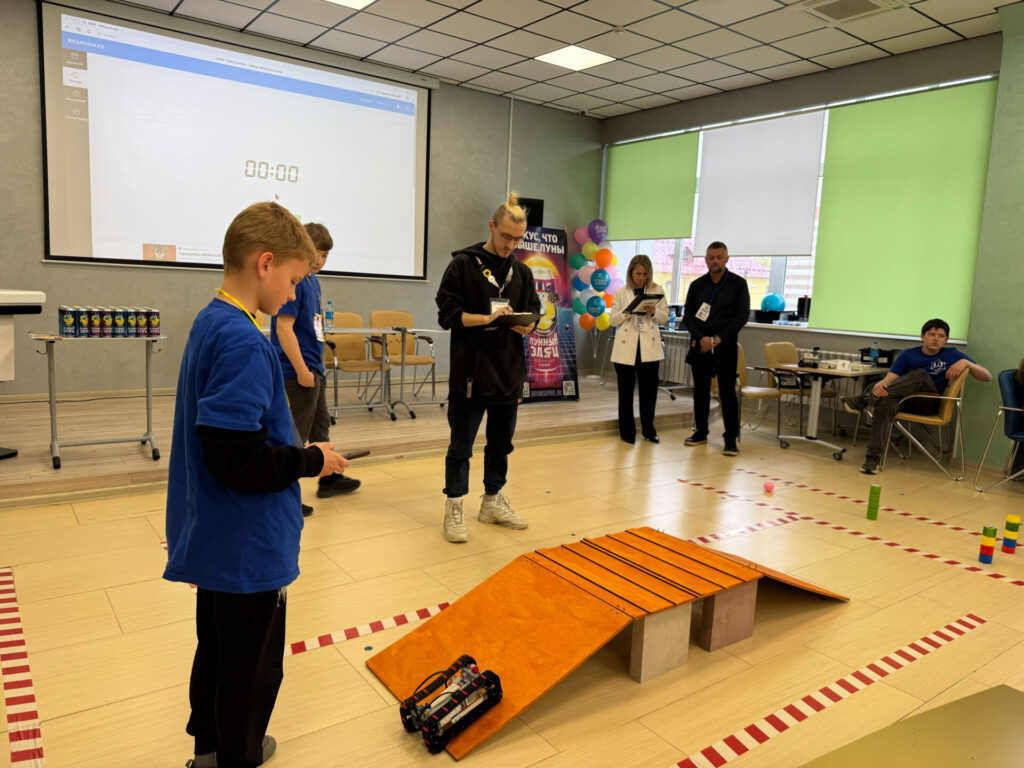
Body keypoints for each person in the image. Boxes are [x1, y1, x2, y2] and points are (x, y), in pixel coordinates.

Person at [164, 202, 348, 768]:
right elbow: (236, 460)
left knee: (217, 653)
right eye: (293, 280)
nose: (294, 294)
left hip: (216, 534)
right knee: (251, 669)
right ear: (265, 264)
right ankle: (237, 754)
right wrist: (310, 459)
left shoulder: (211, 320)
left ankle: (210, 750)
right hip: (247, 544)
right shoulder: (245, 341)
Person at [435, 192, 541, 543]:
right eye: (506, 236)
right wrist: (488, 319)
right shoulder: (463, 265)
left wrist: (528, 324)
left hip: (508, 372)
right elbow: (448, 315)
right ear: (492, 226)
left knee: (501, 444)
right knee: (461, 446)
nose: (511, 244)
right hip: (470, 372)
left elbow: (534, 311)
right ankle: (454, 505)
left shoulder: (522, 272)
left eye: (518, 239)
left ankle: (492, 501)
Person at [270, 222, 359, 516]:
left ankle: (329, 478)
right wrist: (302, 370)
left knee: (321, 426)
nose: (319, 260)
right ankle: (284, 495)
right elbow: (284, 329)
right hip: (298, 370)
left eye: (325, 255)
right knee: (294, 434)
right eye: (315, 253)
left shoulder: (313, 282)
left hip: (313, 367)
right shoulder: (295, 282)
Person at [843, 318, 991, 474]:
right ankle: (873, 458)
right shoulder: (908, 354)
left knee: (920, 375)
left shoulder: (952, 354)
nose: (936, 339)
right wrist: (878, 388)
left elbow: (987, 377)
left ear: (946, 340)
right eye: (932, 334)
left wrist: (967, 363)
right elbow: (889, 379)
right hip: (904, 401)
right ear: (922, 336)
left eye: (941, 336)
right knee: (884, 404)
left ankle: (864, 399)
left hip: (928, 403)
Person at [682, 241, 750, 455]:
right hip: (701, 346)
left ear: (726, 259)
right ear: (706, 260)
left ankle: (730, 439)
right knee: (700, 392)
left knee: (727, 393)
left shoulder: (738, 285)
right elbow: (688, 317)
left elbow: (742, 317)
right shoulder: (697, 285)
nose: (715, 261)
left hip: (725, 346)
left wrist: (719, 338)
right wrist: (701, 338)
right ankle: (701, 432)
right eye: (711, 257)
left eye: (719, 257)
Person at [609, 254, 668, 443]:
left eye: (644, 274)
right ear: (631, 273)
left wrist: (654, 311)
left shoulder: (657, 290)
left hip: (649, 348)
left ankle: (649, 430)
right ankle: (627, 432)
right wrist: (628, 311)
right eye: (637, 273)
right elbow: (612, 320)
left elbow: (665, 317)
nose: (641, 278)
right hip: (626, 349)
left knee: (649, 393)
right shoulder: (621, 292)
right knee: (625, 393)